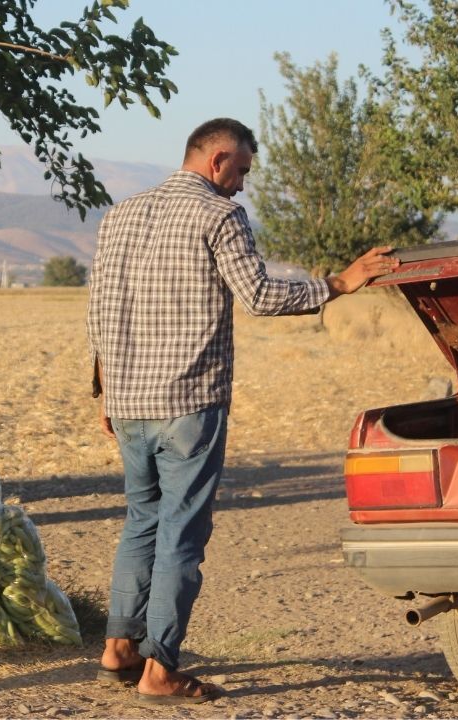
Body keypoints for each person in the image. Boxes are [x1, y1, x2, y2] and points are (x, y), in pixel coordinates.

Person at [86, 118, 399, 705]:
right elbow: (258, 294)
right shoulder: (219, 216)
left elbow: (99, 303)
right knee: (181, 531)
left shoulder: (119, 214)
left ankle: (118, 646)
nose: (242, 186)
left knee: (141, 520)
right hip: (188, 403)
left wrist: (105, 386)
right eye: (243, 172)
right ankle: (160, 670)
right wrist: (339, 283)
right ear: (218, 160)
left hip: (128, 402)